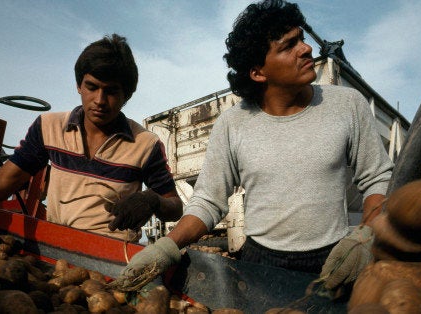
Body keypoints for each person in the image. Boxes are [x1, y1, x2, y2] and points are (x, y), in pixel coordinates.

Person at [111, 0, 393, 292]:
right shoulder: (233, 123)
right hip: (260, 264)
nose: (306, 49)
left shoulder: (347, 105)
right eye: (288, 46)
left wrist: (364, 236)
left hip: (332, 258)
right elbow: (208, 201)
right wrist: (166, 248)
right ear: (259, 73)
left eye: (301, 39)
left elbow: (377, 179)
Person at [0, 34, 183, 242]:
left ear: (127, 95)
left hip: (118, 255)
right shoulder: (49, 127)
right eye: (92, 87)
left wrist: (152, 200)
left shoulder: (145, 144)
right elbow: (0, 183)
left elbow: (175, 206)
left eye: (112, 91)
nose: (100, 100)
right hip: (59, 247)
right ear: (79, 85)